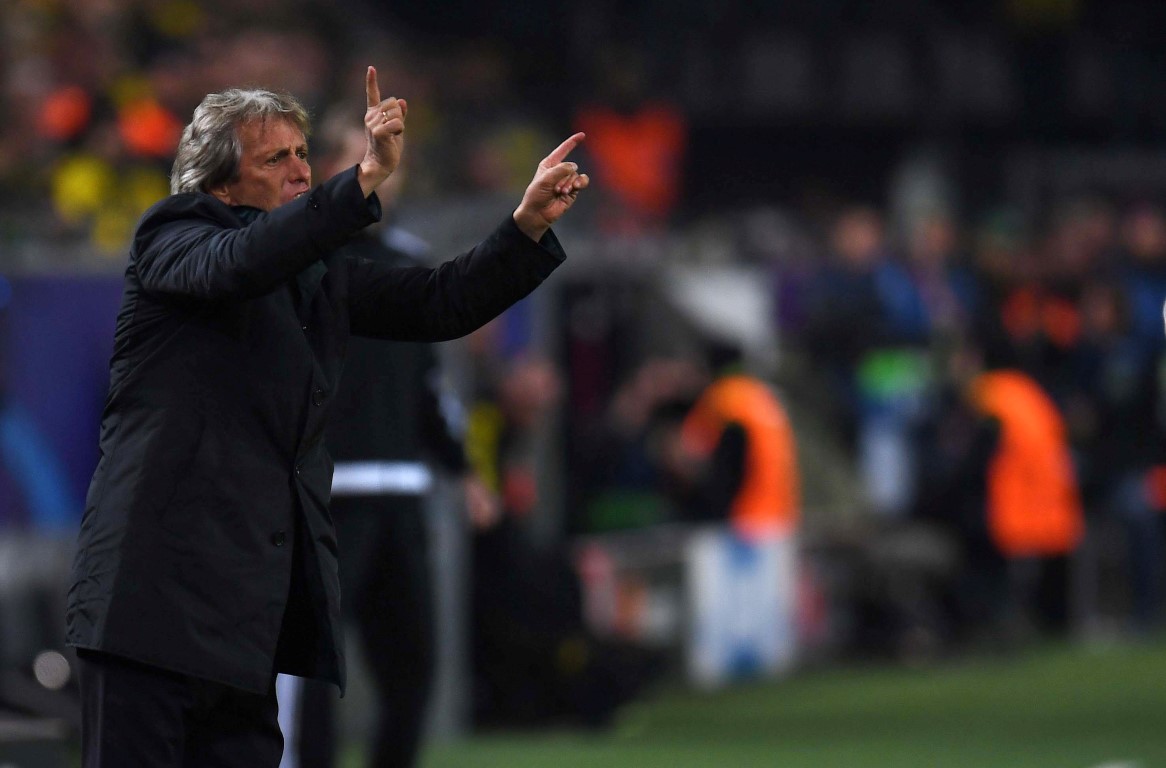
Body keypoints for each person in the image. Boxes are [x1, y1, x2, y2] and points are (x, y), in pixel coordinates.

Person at [64, 66, 589, 767]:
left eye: (303, 153)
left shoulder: (317, 274)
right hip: (149, 606)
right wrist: (363, 179)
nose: (301, 171)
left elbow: (439, 302)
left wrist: (524, 227)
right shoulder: (174, 233)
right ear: (220, 184)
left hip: (243, 618)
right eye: (275, 158)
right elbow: (239, 262)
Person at [275, 112, 500, 768]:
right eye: (361, 154)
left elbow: (429, 385)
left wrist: (463, 469)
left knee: (412, 667)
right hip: (326, 495)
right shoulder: (293, 263)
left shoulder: (407, 263)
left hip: (401, 490)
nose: (381, 169)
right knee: (313, 668)